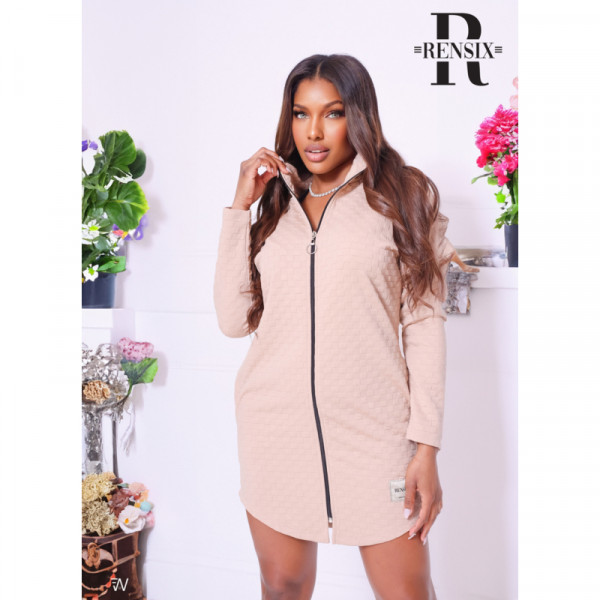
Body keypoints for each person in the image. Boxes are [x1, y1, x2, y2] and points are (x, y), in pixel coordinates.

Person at [213, 53, 454, 600]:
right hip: (274, 428)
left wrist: (426, 446)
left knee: (407, 591)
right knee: (283, 585)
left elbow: (424, 324)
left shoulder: (402, 197)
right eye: (301, 114)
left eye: (333, 113)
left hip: (377, 435)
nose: (314, 132)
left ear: (359, 117)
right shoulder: (275, 203)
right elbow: (232, 319)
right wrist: (239, 209)